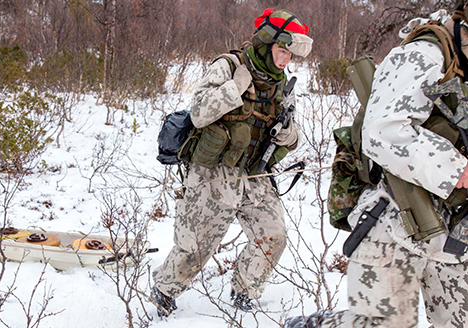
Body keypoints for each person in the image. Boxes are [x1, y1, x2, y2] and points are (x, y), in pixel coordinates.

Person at [287, 3, 468, 328]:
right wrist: (456, 169)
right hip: (397, 219)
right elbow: (383, 131)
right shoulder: (426, 52)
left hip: (455, 237)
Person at [150, 8, 313, 317]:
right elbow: (199, 112)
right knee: (196, 246)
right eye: (282, 51)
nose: (286, 60)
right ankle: (164, 290)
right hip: (213, 170)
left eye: (290, 55)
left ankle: (244, 292)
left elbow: (292, 136)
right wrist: (233, 88)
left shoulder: (279, 83)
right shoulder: (229, 66)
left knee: (274, 234)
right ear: (266, 44)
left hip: (254, 172)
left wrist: (289, 134)